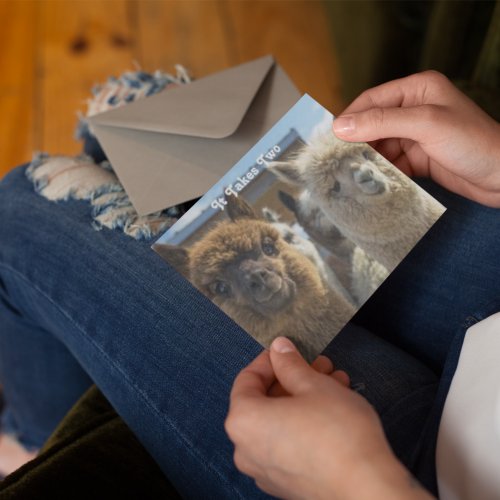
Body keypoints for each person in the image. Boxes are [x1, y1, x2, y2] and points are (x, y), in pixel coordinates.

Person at [0, 70, 499, 498]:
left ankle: (35, 443)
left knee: (22, 209)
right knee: (153, 123)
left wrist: (354, 482)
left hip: (424, 474)